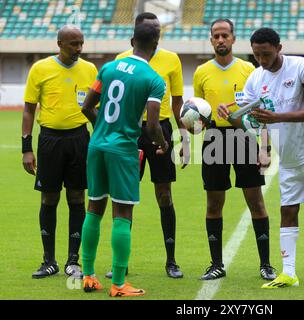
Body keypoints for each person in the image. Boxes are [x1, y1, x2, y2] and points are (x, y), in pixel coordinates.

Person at [218, 27, 304, 288]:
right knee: (287, 209)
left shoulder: (302, 67)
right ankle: (288, 273)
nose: (262, 60)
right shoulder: (255, 79)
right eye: (256, 55)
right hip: (288, 153)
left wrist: (277, 118)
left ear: (279, 48)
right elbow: (253, 123)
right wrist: (233, 118)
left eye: (266, 54)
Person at [80, 23, 168, 297]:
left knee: (94, 207)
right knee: (123, 212)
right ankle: (118, 283)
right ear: (155, 45)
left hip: (97, 145)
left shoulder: (107, 68)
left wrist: (102, 132)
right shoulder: (153, 79)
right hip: (123, 150)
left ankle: (88, 275)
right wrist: (162, 144)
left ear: (132, 40)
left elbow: (86, 106)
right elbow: (153, 126)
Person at [104, 12, 187, 280]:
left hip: (161, 129)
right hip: (129, 131)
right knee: (124, 197)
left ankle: (171, 261)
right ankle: (121, 263)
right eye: (149, 28)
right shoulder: (121, 60)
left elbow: (177, 102)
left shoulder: (172, 59)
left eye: (157, 28)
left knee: (164, 195)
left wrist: (183, 133)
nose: (154, 32)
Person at [193, 19, 276, 281]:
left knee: (255, 201)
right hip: (215, 138)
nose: (220, 40)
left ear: (233, 38)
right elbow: (197, 114)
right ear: (211, 40)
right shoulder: (201, 72)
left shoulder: (249, 69)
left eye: (224, 35)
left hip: (245, 136)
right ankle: (216, 264)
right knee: (214, 202)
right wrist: (194, 128)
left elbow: (259, 112)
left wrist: (265, 147)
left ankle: (266, 264)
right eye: (215, 35)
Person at [22, 25, 97, 279]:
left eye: (81, 43)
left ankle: (73, 261)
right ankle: (49, 261)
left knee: (77, 197)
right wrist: (26, 148)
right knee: (49, 199)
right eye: (73, 43)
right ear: (59, 44)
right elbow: (29, 109)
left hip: (79, 139)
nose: (78, 48)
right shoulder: (40, 69)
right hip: (49, 141)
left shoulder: (89, 69)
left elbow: (97, 108)